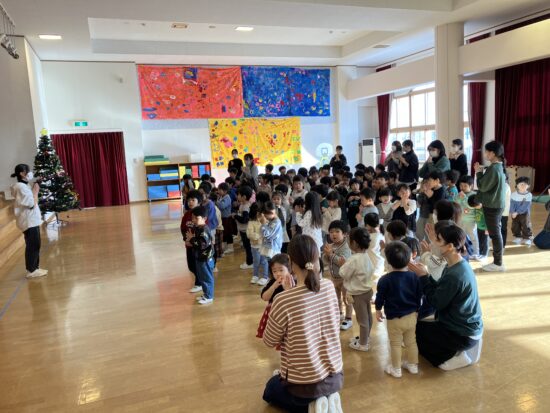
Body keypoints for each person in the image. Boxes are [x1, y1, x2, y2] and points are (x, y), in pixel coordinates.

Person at [262, 235, 344, 413]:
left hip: (303, 385)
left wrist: (288, 295)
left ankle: (310, 406)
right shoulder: (328, 286)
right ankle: (328, 398)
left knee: (270, 389)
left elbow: (269, 341)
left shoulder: (283, 299)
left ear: (291, 263)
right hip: (335, 377)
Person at [409, 224, 483, 371]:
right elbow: (440, 289)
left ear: (450, 246)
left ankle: (454, 358)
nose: (433, 242)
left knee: (414, 336)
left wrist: (423, 277)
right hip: (466, 327)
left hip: (462, 333)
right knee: (418, 328)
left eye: (437, 240)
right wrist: (427, 276)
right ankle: (454, 350)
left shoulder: (455, 274)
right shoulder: (456, 264)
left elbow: (436, 302)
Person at [375, 241, 422, 378]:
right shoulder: (414, 276)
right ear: (409, 259)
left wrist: (378, 309)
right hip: (412, 316)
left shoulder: (384, 280)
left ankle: (396, 369)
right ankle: (413, 366)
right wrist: (417, 309)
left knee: (395, 344)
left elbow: (380, 297)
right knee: (411, 342)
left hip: (394, 319)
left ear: (388, 261)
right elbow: (419, 295)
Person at [340, 227, 377, 352]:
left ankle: (363, 344)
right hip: (368, 291)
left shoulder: (353, 259)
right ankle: (365, 337)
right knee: (368, 316)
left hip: (358, 294)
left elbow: (343, 273)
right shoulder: (366, 256)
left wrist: (343, 264)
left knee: (362, 320)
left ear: (354, 243)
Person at [474, 140, 507, 272]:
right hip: (495, 205)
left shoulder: (494, 168)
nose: (485, 154)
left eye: (487, 152)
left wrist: (478, 172)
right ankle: (498, 262)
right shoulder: (496, 167)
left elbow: (482, 186)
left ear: (493, 153)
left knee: (495, 234)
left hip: (493, 206)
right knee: (495, 233)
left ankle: (498, 263)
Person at [10, 164, 47, 278]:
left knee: (36, 244)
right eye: (28, 171)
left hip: (31, 220)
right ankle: (31, 270)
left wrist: (34, 192)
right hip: (28, 221)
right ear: (22, 173)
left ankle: (35, 267)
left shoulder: (23, 186)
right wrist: (35, 192)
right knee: (33, 245)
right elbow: (31, 204)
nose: (30, 173)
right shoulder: (20, 187)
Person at [322, 220, 353, 331]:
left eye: (337, 231)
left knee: (346, 299)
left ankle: (348, 319)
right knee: (336, 298)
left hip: (345, 279)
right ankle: (339, 313)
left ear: (344, 234)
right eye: (331, 232)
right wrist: (326, 255)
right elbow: (325, 260)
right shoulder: (330, 245)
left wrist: (331, 254)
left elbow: (342, 263)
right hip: (334, 278)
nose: (333, 234)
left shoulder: (346, 247)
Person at [257, 254, 295, 339]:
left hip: (288, 314)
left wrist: (287, 289)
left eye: (281, 270)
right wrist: (273, 287)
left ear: (289, 269)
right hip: (274, 313)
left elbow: (294, 301)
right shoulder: (272, 282)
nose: (278, 273)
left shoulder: (293, 281)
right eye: (274, 271)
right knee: (275, 334)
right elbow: (264, 297)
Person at [185, 206, 215, 305]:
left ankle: (209, 296)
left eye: (196, 218)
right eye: (192, 218)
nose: (193, 220)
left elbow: (202, 244)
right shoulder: (198, 228)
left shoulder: (204, 230)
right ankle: (206, 294)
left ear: (204, 218)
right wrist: (191, 240)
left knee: (207, 278)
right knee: (202, 277)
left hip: (205, 259)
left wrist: (191, 239)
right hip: (200, 257)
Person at [181, 190, 203, 293]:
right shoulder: (186, 215)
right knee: (191, 266)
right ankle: (201, 280)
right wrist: (186, 239)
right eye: (188, 200)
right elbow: (182, 228)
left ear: (199, 201)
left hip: (197, 245)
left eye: (193, 200)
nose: (190, 202)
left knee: (198, 264)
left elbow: (203, 229)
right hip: (189, 245)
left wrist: (194, 240)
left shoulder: (201, 214)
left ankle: (199, 283)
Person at [457, 176, 479, 258]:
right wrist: (459, 198)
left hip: (471, 221)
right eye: (461, 186)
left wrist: (464, 198)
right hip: (460, 220)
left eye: (465, 186)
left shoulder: (474, 195)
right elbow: (456, 204)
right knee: (460, 237)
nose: (462, 188)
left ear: (471, 186)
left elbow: (471, 206)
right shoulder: (459, 194)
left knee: (473, 237)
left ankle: (476, 252)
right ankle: (462, 252)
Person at [247, 203, 269, 286]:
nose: (260, 215)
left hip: (264, 245)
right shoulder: (251, 222)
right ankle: (255, 275)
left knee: (264, 261)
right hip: (255, 246)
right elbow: (250, 234)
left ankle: (265, 277)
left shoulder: (265, 221)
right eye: (259, 213)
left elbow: (267, 232)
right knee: (256, 261)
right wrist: (259, 236)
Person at [259, 201, 284, 270]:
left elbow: (267, 234)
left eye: (265, 215)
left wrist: (263, 224)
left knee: (273, 267)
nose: (265, 217)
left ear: (272, 213)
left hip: (273, 248)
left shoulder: (276, 222)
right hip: (270, 247)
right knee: (271, 266)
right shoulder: (272, 221)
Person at [235, 186, 254, 270]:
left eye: (239, 195)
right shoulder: (243, 204)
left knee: (248, 247)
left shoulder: (246, 207)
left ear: (244, 197)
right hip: (243, 230)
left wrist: (235, 216)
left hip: (245, 230)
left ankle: (250, 262)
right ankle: (250, 261)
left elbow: (244, 220)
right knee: (247, 247)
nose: (237, 196)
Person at [510, 176, 533, 246]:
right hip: (515, 213)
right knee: (515, 225)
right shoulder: (513, 194)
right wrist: (512, 212)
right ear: (517, 185)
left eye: (525, 184)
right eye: (521, 184)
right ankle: (518, 237)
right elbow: (512, 204)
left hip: (524, 213)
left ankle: (527, 238)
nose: (523, 186)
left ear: (528, 186)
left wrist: (517, 212)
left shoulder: (529, 195)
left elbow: (525, 206)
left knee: (526, 225)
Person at [468, 195, 488, 260]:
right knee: (480, 241)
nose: (475, 208)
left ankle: (484, 255)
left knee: (484, 242)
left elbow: (487, 219)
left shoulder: (485, 208)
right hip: (479, 227)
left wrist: (487, 228)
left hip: (485, 228)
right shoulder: (476, 208)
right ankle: (480, 254)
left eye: (475, 206)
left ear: (479, 203)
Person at [216, 182, 234, 254]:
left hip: (227, 218)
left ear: (225, 191)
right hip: (223, 218)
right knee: (224, 232)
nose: (218, 191)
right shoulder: (221, 197)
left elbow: (222, 206)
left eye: (219, 190)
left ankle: (230, 247)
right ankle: (225, 246)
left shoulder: (227, 197)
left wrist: (216, 201)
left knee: (228, 232)